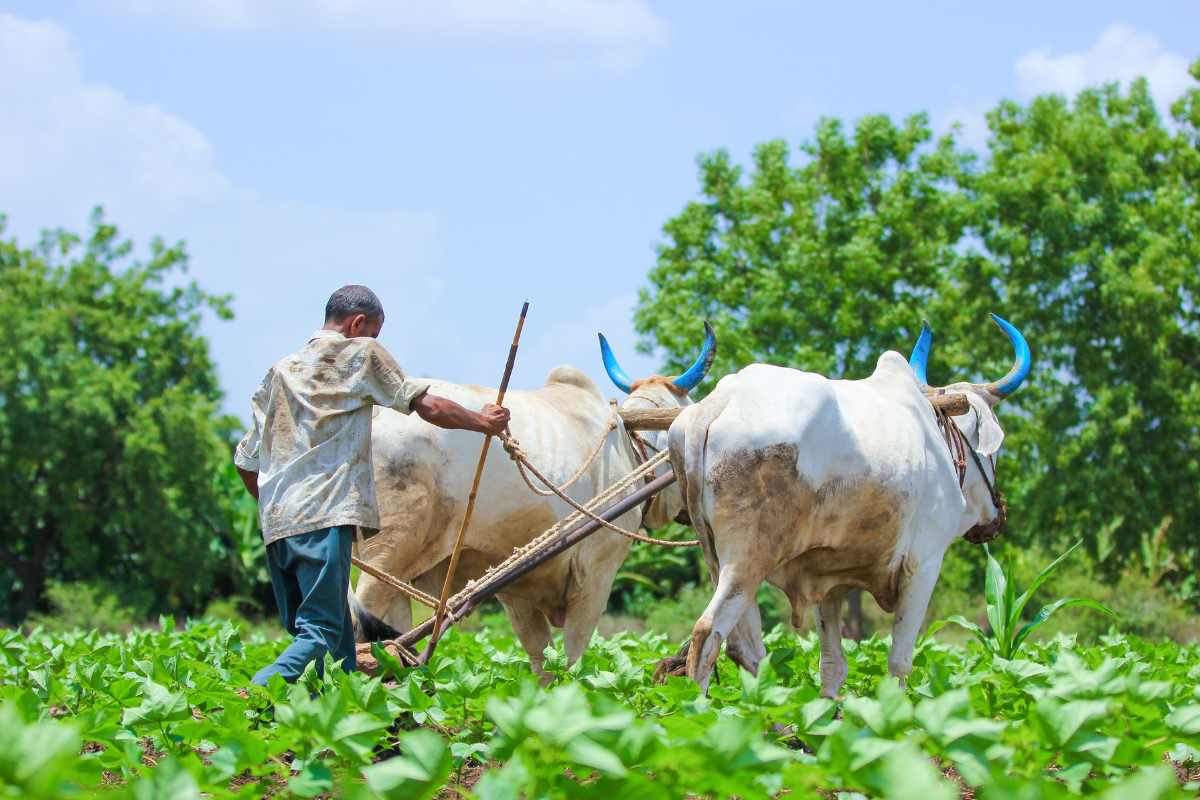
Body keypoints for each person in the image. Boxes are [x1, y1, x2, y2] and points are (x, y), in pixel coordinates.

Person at [233, 285, 510, 686]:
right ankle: (250, 699)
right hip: (323, 517)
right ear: (358, 323)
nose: (375, 342)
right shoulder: (360, 354)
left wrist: (276, 507)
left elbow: (245, 461)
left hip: (278, 527)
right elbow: (426, 406)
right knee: (323, 634)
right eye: (373, 333)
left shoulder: (280, 370)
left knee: (337, 643)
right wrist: (482, 422)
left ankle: (333, 724)